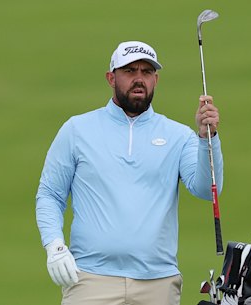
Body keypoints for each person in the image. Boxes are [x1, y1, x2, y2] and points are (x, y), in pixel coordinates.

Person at [35, 40, 223, 305]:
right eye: (130, 71)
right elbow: (50, 194)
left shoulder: (178, 136)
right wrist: (54, 245)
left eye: (146, 72)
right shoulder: (77, 130)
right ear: (111, 78)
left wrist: (208, 139)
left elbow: (205, 189)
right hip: (90, 280)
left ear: (155, 80)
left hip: (158, 282)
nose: (139, 79)